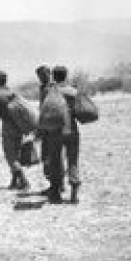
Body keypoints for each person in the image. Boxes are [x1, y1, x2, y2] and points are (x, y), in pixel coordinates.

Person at [0, 70, 31, 191]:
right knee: (16, 154)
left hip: (8, 127)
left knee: (10, 157)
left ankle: (24, 181)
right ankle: (14, 182)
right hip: (19, 126)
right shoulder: (13, 93)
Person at [44, 66, 82, 204]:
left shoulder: (49, 91)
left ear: (54, 76)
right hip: (72, 130)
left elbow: (44, 111)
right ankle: (74, 193)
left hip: (55, 131)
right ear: (66, 76)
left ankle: (55, 194)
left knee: (55, 162)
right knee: (73, 161)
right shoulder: (73, 91)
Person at [34, 65, 55, 193]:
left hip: (50, 126)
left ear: (49, 73)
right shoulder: (43, 88)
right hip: (45, 126)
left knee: (50, 156)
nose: (41, 78)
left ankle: (55, 186)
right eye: (39, 76)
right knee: (47, 157)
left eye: (43, 75)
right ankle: (54, 184)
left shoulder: (52, 88)